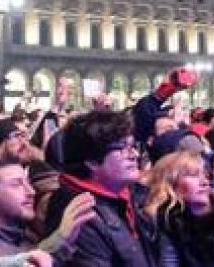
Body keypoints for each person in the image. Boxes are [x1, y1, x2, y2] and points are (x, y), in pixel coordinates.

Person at [46, 109, 156, 267]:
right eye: (121, 148)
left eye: (133, 146)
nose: (134, 155)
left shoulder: (130, 193)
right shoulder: (78, 211)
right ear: (92, 162)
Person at [0, 155, 95, 263]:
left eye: (28, 183)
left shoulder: (29, 235)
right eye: (17, 184)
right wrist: (59, 239)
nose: (31, 192)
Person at [144, 150, 214, 267]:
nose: (205, 182)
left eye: (205, 175)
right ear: (171, 184)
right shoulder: (165, 222)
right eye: (194, 175)